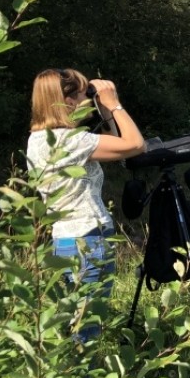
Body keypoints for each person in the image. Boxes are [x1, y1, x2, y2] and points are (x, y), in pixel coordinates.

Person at [26, 68, 145, 342]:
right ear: (67, 101)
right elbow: (136, 144)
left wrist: (104, 113)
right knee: (85, 332)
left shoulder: (42, 140)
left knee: (79, 327)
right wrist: (113, 104)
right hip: (87, 242)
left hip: (69, 241)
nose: (88, 100)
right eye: (83, 94)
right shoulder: (71, 141)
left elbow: (118, 145)